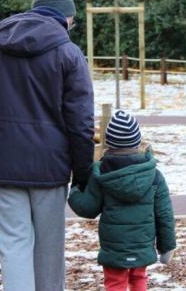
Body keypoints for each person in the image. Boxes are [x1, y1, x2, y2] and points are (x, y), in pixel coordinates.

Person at [0, 0, 94, 291]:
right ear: (65, 17)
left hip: (3, 164)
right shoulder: (69, 54)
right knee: (49, 252)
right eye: (72, 20)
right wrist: (83, 168)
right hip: (51, 167)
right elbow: (80, 121)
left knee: (14, 247)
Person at [68, 109, 176, 291]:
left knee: (115, 282)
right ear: (137, 141)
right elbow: (164, 214)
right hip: (142, 243)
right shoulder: (154, 176)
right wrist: (167, 247)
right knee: (139, 278)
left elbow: (88, 208)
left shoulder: (101, 174)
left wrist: (75, 191)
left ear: (109, 143)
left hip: (114, 246)